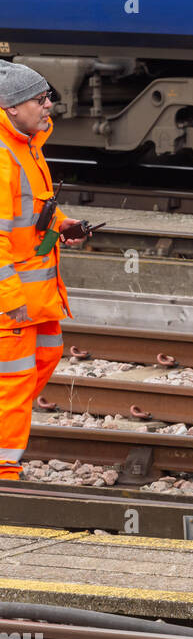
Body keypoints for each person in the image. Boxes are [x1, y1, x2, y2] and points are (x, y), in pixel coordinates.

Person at [0, 60, 85, 481]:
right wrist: (10, 301)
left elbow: (31, 212)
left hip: (38, 293)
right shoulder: (4, 155)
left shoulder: (26, 146)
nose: (49, 105)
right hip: (13, 300)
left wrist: (60, 224)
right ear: (12, 107)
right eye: (40, 99)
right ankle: (5, 472)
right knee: (13, 384)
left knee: (46, 357)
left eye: (48, 96)